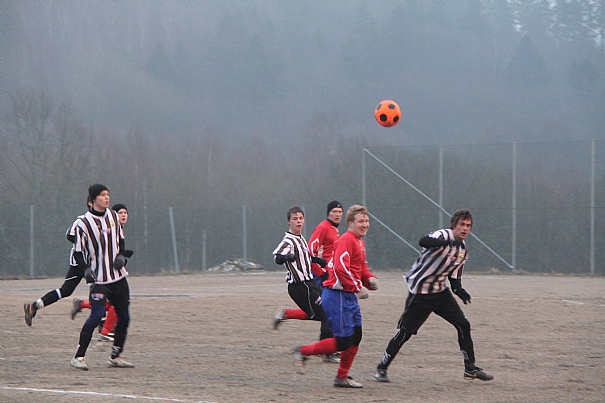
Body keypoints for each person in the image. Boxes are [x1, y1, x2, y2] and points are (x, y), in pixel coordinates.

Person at [373, 209, 494, 383]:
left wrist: (459, 290)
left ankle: (470, 368)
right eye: (462, 224)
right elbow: (423, 241)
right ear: (454, 225)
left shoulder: (462, 250)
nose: (465, 228)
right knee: (405, 332)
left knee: (463, 325)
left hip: (439, 292)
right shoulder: (442, 235)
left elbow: (454, 276)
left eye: (468, 225)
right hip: (420, 292)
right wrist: (441, 242)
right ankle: (381, 367)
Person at [293, 205, 378, 388]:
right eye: (360, 221)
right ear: (351, 223)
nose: (365, 224)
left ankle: (341, 377)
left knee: (356, 337)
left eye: (366, 221)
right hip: (337, 296)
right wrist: (357, 287)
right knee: (343, 341)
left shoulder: (359, 242)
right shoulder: (347, 240)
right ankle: (303, 351)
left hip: (348, 296)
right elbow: (340, 268)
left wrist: (369, 278)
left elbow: (360, 268)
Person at [70, 184, 134, 370]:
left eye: (108, 194)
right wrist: (85, 270)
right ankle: (78, 357)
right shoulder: (83, 223)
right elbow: (78, 253)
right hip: (99, 279)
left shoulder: (113, 216)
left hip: (118, 278)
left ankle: (116, 356)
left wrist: (121, 256)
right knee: (96, 315)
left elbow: (121, 241)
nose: (107, 198)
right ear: (93, 199)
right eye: (103, 195)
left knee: (124, 317)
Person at [272, 206, 333, 361]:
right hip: (299, 286)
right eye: (295, 219)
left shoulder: (300, 238)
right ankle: (325, 351)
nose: (298, 221)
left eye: (300, 218)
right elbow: (277, 257)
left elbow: (304, 256)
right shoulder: (288, 240)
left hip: (309, 283)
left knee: (327, 310)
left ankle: (286, 314)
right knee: (326, 313)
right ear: (289, 221)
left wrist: (317, 260)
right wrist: (287, 258)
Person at [23, 197, 94, 326]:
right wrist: (84, 242)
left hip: (88, 263)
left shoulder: (104, 221)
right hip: (80, 263)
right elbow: (69, 235)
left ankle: (35, 306)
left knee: (66, 291)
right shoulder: (81, 221)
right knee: (98, 292)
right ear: (91, 203)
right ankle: (103, 325)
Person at [70, 203, 130, 343]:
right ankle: (105, 331)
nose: (123, 215)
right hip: (100, 275)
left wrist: (122, 258)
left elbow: (118, 251)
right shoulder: (99, 227)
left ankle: (82, 304)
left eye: (125, 213)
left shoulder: (119, 230)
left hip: (113, 275)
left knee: (107, 304)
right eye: (120, 213)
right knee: (112, 305)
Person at [307, 200, 343, 363]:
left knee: (329, 311)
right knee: (330, 310)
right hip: (322, 277)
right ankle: (327, 351)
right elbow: (310, 252)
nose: (337, 214)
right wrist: (321, 273)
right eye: (334, 211)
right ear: (328, 213)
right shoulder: (322, 228)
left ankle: (324, 348)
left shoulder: (334, 229)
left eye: (340, 212)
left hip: (330, 275)